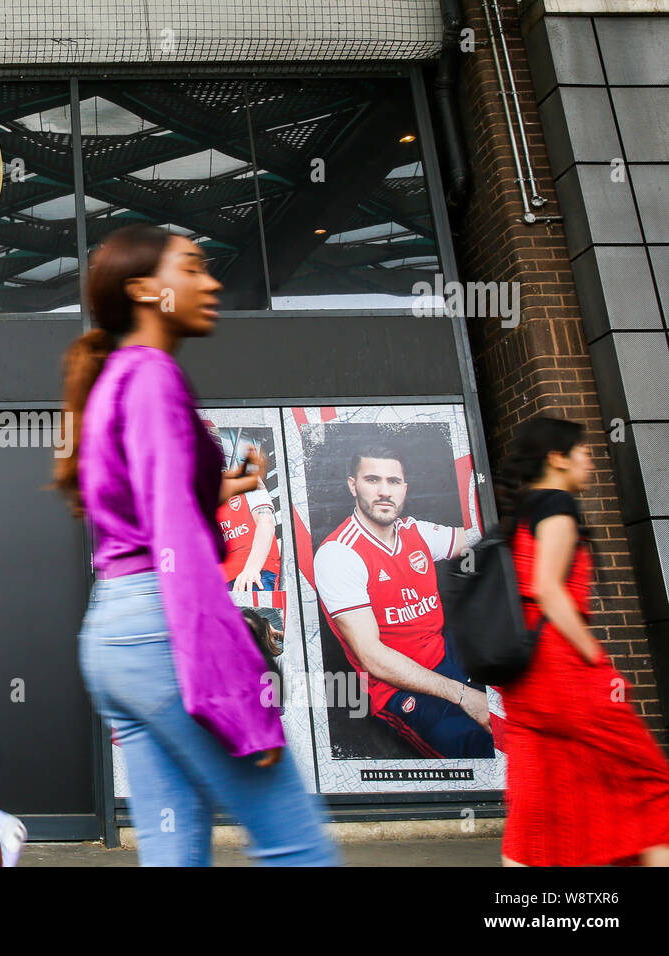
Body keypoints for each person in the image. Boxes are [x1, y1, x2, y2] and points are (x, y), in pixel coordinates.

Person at [56, 222, 337, 866]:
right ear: (145, 290)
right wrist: (238, 697)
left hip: (115, 633)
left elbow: (146, 507)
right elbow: (176, 539)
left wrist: (225, 485)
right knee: (297, 848)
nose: (211, 282)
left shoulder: (113, 381)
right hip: (161, 627)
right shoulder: (153, 377)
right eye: (192, 268)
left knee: (174, 852)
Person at [500, 416, 669, 866]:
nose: (589, 461)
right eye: (582, 451)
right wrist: (596, 659)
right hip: (563, 672)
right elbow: (548, 589)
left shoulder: (524, 512)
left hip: (524, 682)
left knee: (535, 805)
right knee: (650, 782)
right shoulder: (557, 505)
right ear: (557, 459)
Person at [312, 446, 492, 759]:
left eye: (393, 482)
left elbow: (480, 539)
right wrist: (464, 695)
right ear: (353, 485)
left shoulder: (416, 531)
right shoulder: (338, 554)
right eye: (372, 480)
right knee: (475, 745)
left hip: (445, 655)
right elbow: (374, 658)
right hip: (398, 687)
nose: (384, 491)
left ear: (404, 488)